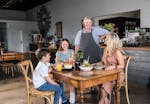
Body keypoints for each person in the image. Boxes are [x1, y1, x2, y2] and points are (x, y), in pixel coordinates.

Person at [98, 33, 125, 104]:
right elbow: (103, 61)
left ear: (111, 41)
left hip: (118, 74)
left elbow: (122, 65)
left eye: (106, 38)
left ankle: (101, 101)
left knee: (105, 81)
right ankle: (106, 100)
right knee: (97, 80)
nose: (105, 39)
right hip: (108, 72)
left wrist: (113, 66)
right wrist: (97, 64)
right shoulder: (106, 49)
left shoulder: (117, 51)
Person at [55, 38, 75, 104]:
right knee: (60, 82)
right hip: (61, 71)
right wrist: (66, 62)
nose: (65, 45)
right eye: (63, 44)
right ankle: (62, 99)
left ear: (68, 45)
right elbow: (56, 63)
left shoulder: (71, 51)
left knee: (72, 83)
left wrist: (63, 63)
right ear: (61, 45)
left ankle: (72, 100)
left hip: (70, 70)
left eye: (66, 44)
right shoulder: (58, 53)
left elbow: (72, 62)